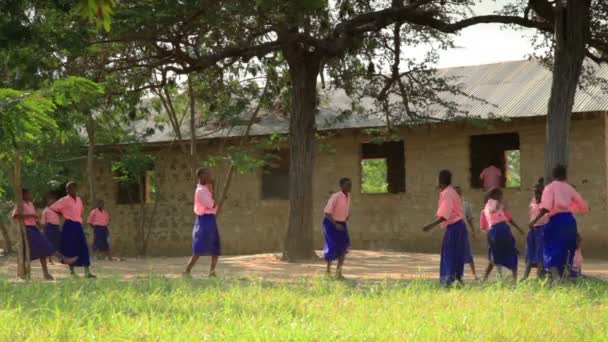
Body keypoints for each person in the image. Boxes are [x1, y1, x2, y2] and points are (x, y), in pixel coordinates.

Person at [529, 165, 588, 281]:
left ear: (553, 175)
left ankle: (556, 277)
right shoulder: (569, 188)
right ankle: (566, 276)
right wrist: (569, 208)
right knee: (568, 248)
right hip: (569, 221)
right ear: (565, 175)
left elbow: (546, 207)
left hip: (556, 221)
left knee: (550, 248)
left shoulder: (550, 188)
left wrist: (534, 221)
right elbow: (584, 207)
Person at [12, 189, 77, 280]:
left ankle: (45, 273)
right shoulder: (20, 204)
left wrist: (40, 225)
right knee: (43, 245)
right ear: (24, 195)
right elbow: (15, 216)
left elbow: (34, 218)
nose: (31, 195)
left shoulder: (30, 204)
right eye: (29, 194)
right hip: (27, 229)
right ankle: (62, 259)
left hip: (34, 228)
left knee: (43, 250)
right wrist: (30, 216)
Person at [421, 170, 468, 286]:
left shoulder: (447, 193)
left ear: (440, 180)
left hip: (455, 227)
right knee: (456, 253)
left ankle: (448, 280)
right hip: (459, 226)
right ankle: (458, 279)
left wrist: (430, 226)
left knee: (449, 253)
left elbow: (444, 215)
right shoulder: (450, 191)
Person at [50, 182, 96, 278]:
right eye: (68, 189)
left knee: (83, 246)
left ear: (76, 189)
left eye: (72, 188)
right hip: (69, 225)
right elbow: (52, 208)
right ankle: (72, 272)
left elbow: (80, 211)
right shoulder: (64, 200)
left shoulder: (79, 200)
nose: (70, 190)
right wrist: (62, 214)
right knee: (70, 247)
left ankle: (87, 272)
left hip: (78, 225)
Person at [480, 188, 524, 282]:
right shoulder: (493, 203)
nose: (502, 198)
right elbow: (494, 210)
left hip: (494, 232)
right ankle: (513, 279)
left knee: (495, 256)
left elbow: (484, 227)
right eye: (501, 196)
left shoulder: (489, 209)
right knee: (511, 253)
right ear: (496, 195)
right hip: (500, 230)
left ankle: (486, 278)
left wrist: (519, 229)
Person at [184, 168, 221, 277]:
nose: (211, 177)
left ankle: (212, 272)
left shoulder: (205, 190)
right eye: (208, 175)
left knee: (215, 246)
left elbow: (214, 205)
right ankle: (187, 271)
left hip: (210, 219)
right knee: (199, 247)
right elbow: (212, 205)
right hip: (204, 220)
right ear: (202, 176)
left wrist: (212, 190)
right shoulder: (201, 191)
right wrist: (213, 190)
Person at [322, 177, 352, 279]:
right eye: (347, 185)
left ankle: (338, 272)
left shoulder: (348, 196)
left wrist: (346, 215)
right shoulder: (336, 196)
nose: (350, 187)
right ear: (342, 186)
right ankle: (328, 271)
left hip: (342, 223)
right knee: (332, 246)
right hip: (331, 223)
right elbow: (327, 213)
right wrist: (335, 225)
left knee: (343, 247)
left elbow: (345, 210)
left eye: (350, 185)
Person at [523, 179, 547, 280]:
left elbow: (543, 211)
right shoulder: (533, 200)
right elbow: (531, 213)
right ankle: (525, 276)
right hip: (533, 229)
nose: (537, 194)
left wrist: (534, 221)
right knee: (530, 251)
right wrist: (532, 223)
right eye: (535, 192)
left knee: (540, 252)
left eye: (539, 192)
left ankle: (539, 275)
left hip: (542, 228)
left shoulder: (545, 201)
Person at [454, 186, 479, 280]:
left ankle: (474, 274)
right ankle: (456, 274)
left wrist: (473, 231)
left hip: (464, 231)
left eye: (457, 193)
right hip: (454, 231)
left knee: (467, 252)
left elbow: (470, 219)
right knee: (455, 253)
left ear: (460, 194)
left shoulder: (465, 204)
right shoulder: (451, 204)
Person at [41, 193, 62, 265]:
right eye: (51, 200)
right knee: (49, 243)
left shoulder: (58, 210)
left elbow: (60, 217)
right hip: (49, 227)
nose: (53, 201)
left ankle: (59, 258)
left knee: (58, 241)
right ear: (48, 201)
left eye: (54, 200)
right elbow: (43, 222)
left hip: (56, 227)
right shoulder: (45, 210)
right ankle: (50, 259)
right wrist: (44, 230)